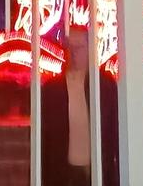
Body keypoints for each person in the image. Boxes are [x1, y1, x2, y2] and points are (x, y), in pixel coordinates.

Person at [42, 26, 119, 185]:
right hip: (63, 173)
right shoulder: (53, 89)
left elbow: (114, 131)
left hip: (97, 171)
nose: (74, 52)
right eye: (70, 47)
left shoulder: (104, 86)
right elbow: (45, 137)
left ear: (90, 48)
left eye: (79, 47)